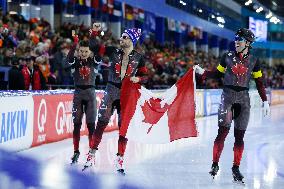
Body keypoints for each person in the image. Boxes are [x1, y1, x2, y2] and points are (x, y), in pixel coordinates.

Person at [195, 28, 270, 184]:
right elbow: (216, 74)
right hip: (227, 98)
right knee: (222, 133)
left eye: (239, 39)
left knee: (239, 137)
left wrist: (265, 100)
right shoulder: (227, 57)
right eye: (235, 39)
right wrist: (203, 72)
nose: (236, 42)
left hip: (244, 101)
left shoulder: (255, 61)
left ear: (248, 43)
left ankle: (236, 168)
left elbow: (259, 83)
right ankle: (215, 164)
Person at [83, 25, 148, 174]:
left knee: (123, 128)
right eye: (121, 36)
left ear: (131, 40)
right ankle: (91, 155)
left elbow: (146, 77)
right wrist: (93, 32)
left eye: (124, 37)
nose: (121, 39)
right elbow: (94, 46)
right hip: (111, 91)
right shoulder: (113, 51)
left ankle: (120, 158)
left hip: (126, 95)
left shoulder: (139, 58)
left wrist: (138, 78)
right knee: (101, 124)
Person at [68, 27, 101, 165]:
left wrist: (94, 34)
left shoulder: (94, 60)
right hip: (78, 94)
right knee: (76, 125)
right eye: (81, 51)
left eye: (86, 51)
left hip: (91, 95)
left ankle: (91, 152)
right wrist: (75, 42)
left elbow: (98, 49)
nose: (83, 53)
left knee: (91, 125)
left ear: (90, 52)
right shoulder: (74, 60)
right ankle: (76, 152)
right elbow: (70, 56)